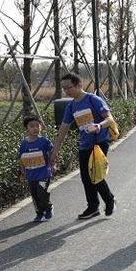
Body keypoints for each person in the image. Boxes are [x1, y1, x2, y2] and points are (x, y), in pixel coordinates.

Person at [50, 72, 116, 219]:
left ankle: (109, 199)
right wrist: (55, 151)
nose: (67, 91)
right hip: (85, 144)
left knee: (95, 173)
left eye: (69, 87)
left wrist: (99, 125)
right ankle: (93, 207)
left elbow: (110, 119)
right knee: (86, 177)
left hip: (99, 142)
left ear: (79, 85)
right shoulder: (71, 106)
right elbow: (63, 129)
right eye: (64, 88)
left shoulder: (94, 100)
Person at [19, 115, 54, 223]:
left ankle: (48, 208)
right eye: (31, 126)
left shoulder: (44, 141)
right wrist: (23, 172)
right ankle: (39, 214)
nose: (35, 128)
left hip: (44, 174)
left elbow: (53, 153)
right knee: (34, 195)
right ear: (26, 129)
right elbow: (21, 159)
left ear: (41, 127)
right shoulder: (24, 144)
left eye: (37, 126)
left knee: (42, 192)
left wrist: (53, 165)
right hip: (31, 175)